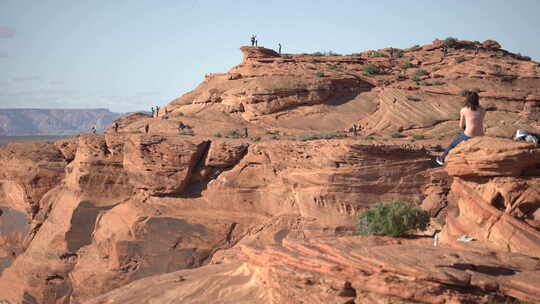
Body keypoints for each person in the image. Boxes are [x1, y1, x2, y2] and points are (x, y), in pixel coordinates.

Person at [436, 92, 485, 165]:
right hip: (481, 134)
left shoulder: (464, 110)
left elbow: (461, 125)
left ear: (467, 99)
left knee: (452, 145)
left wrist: (465, 128)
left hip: (469, 134)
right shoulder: (482, 109)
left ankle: (441, 159)